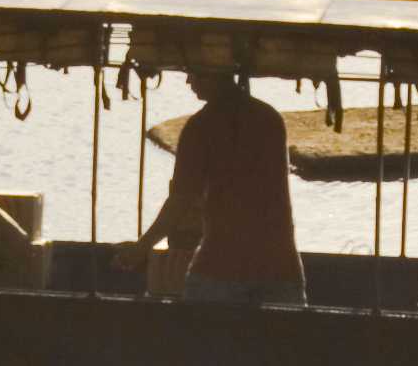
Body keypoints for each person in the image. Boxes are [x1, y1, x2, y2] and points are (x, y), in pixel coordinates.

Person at [122, 69, 306, 306]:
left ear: (215, 73)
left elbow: (181, 200)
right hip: (281, 268)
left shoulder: (201, 126)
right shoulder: (270, 118)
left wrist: (142, 247)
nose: (189, 81)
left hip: (221, 270)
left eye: (195, 73)